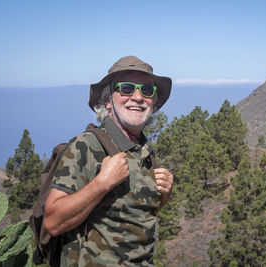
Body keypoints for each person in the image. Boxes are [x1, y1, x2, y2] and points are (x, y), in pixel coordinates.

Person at [43, 56, 174, 266]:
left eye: (147, 91)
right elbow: (53, 222)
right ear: (107, 101)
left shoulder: (144, 151)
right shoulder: (87, 146)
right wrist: (101, 184)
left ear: (154, 102)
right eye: (127, 88)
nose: (138, 97)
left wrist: (163, 197)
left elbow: (131, 215)